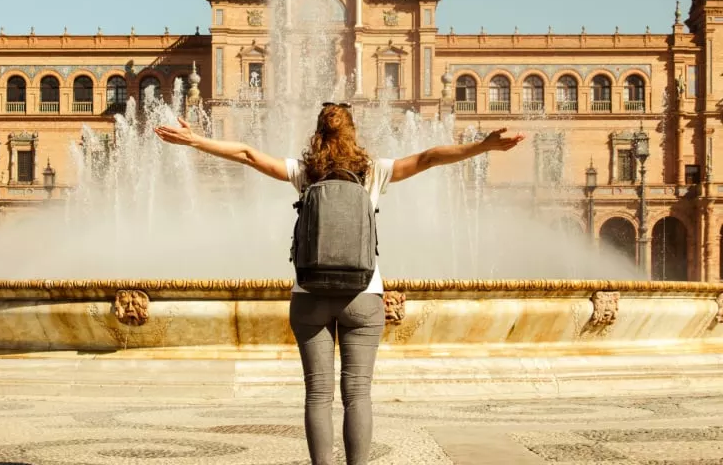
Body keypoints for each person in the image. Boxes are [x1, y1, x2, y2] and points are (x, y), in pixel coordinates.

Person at [156, 103, 523, 465]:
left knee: (317, 394)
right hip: (363, 295)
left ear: (318, 134)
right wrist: (482, 146)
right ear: (353, 133)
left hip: (309, 295)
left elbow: (248, 154)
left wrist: (195, 141)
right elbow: (428, 157)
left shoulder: (305, 172)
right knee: (357, 394)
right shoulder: (373, 172)